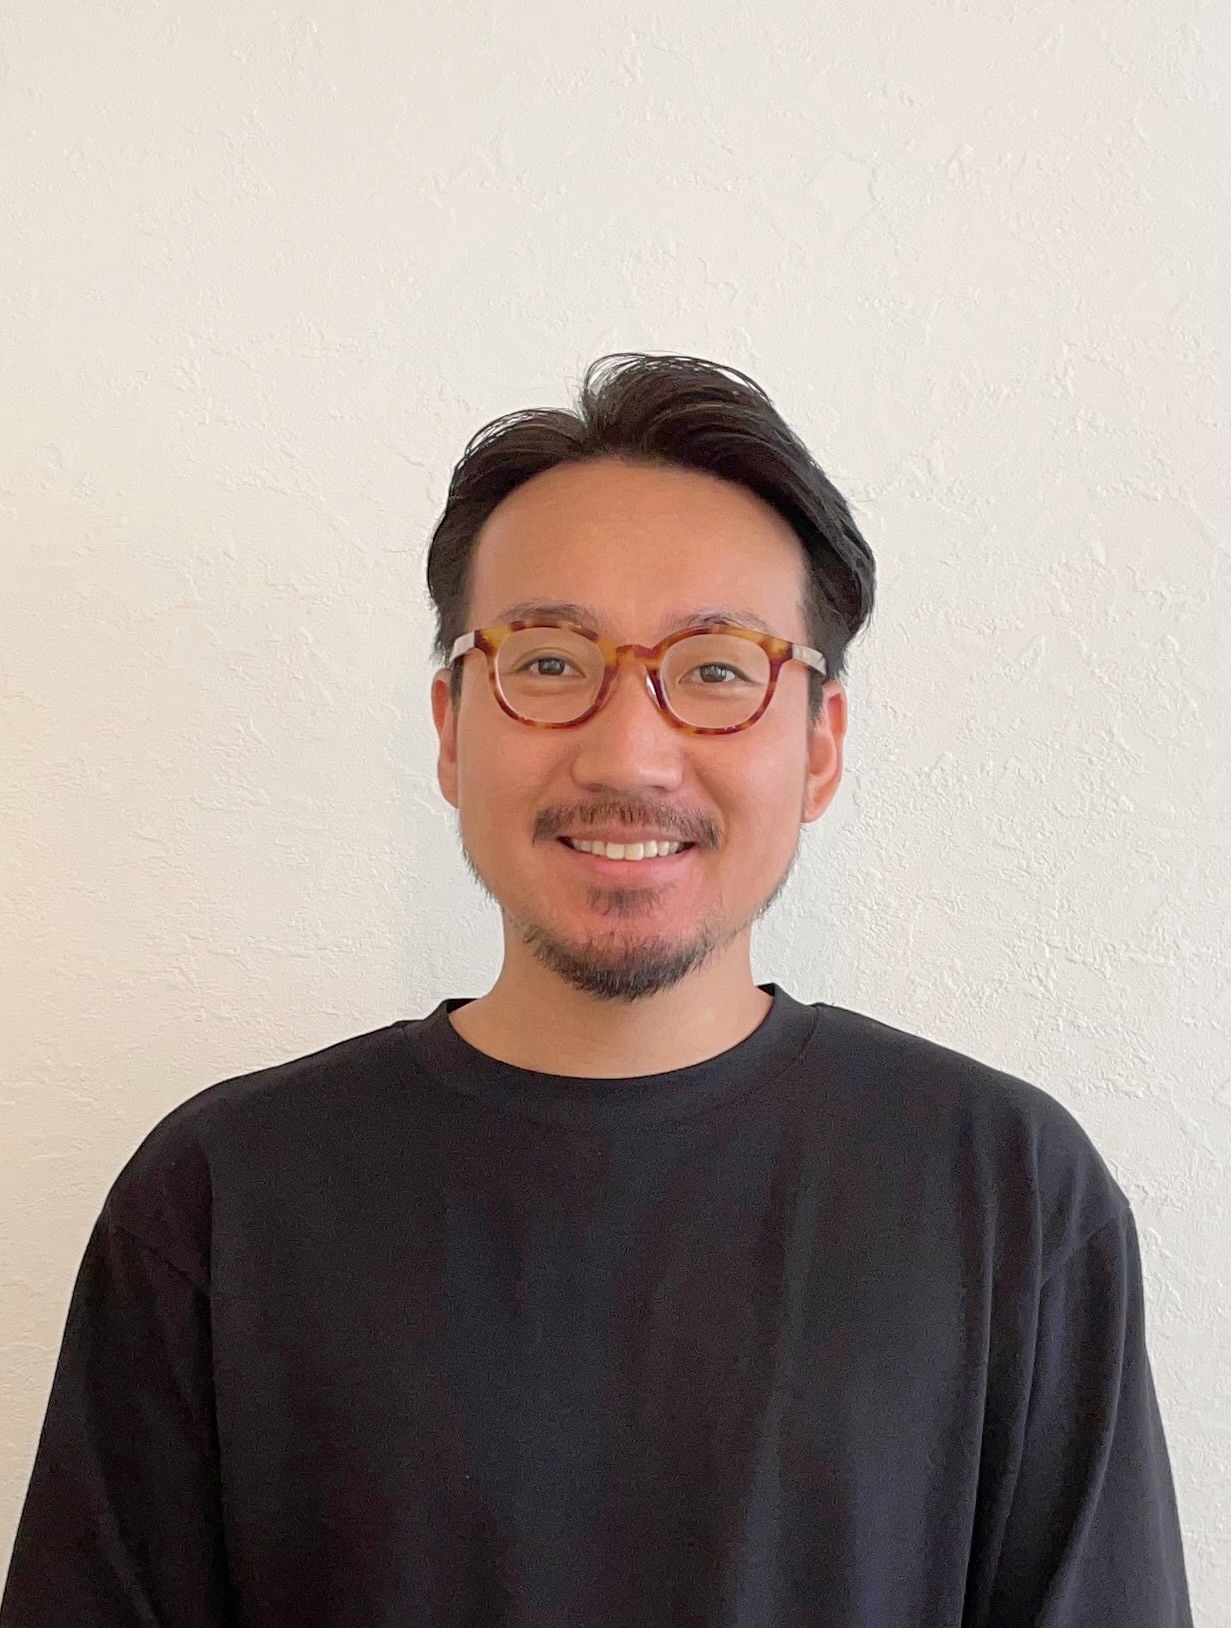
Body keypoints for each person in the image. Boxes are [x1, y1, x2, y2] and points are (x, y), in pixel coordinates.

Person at [1, 354, 1193, 1627]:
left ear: (819, 746)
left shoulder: (1007, 1194)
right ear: (452, 728)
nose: (629, 753)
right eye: (551, 662)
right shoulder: (219, 1197)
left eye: (718, 668)